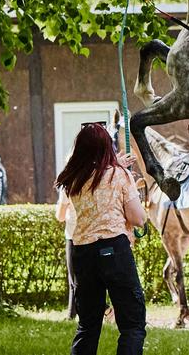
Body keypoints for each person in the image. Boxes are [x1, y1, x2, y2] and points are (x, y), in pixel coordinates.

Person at [55, 122, 147, 355]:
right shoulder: (119, 175)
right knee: (132, 324)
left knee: (88, 325)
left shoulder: (71, 179)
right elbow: (138, 219)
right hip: (114, 249)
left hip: (82, 253)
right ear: (107, 147)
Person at [55, 188, 78, 320]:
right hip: (93, 236)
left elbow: (60, 216)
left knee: (74, 279)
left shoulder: (68, 185)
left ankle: (106, 309)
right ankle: (71, 314)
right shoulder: (94, 179)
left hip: (73, 236)